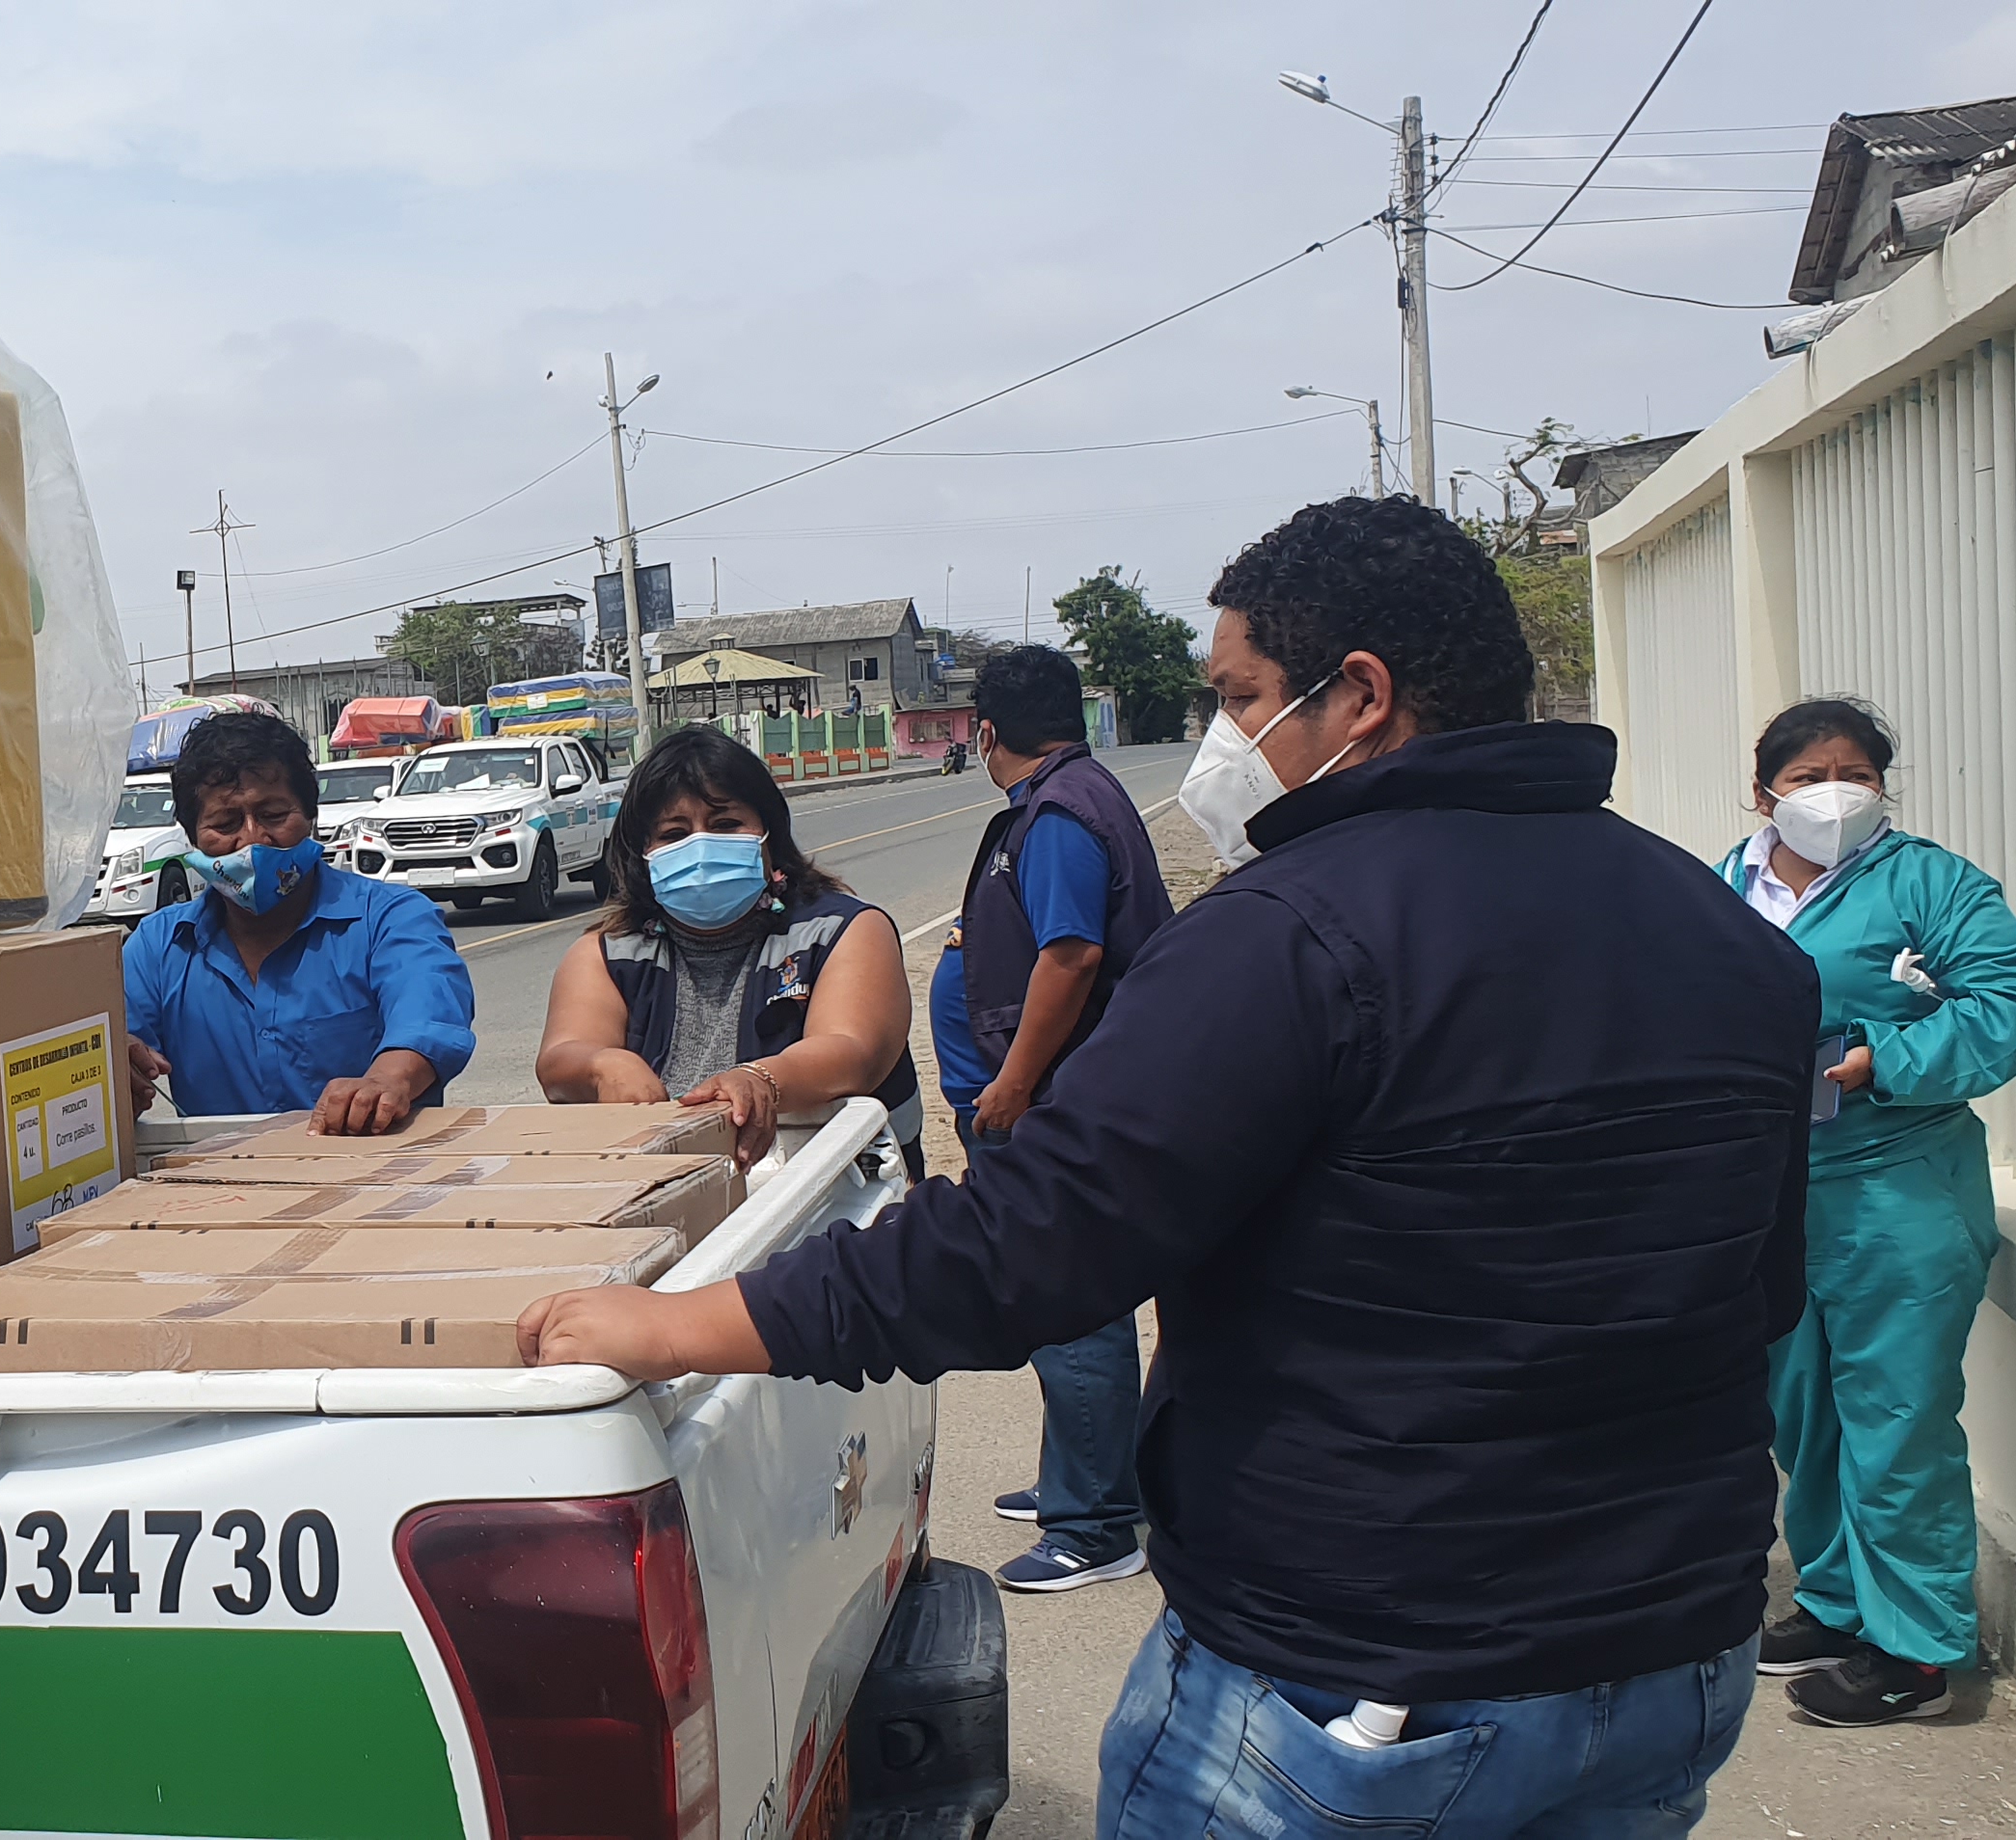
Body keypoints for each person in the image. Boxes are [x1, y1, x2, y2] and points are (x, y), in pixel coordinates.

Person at [520, 496, 1819, 1839]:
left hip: (1368, 1681)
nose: (1226, 737)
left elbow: (1031, 1245)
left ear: (1360, 696)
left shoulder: (1293, 933)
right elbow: (1765, 1291)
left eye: (1242, 697)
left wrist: (678, 1325)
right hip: (1671, 1657)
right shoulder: (1727, 935)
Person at [1721, 697, 2016, 1728]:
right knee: (1803, 1411)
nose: (1834, 794)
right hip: (1774, 1191)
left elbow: (2015, 1002)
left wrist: (1888, 1060)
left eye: (1857, 775)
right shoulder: (1719, 887)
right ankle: (1834, 1601)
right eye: (1810, 776)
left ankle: (1914, 1650)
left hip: (1896, 1183)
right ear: (1763, 791)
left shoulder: (1929, 884)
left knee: (1897, 1417)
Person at [935, 644, 1174, 1595]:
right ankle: (1079, 1476)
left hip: (1053, 1100)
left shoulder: (1063, 815)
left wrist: (1016, 1082)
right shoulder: (1063, 797)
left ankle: (1095, 1527)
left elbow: (1071, 956)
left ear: (986, 730)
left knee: (1073, 1305)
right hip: (1048, 1094)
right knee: (1051, 1304)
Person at [534, 724, 916, 1165]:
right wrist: (602, 1066)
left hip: (828, 1188)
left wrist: (762, 1081)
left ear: (768, 837)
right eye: (674, 834)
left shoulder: (841, 931)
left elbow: (852, 1049)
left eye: (726, 825)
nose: (701, 845)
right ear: (643, 852)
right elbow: (561, 1058)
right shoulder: (609, 953)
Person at [125, 710, 477, 1132]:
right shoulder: (157, 946)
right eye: (225, 823)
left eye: (274, 815)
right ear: (193, 837)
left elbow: (429, 1016)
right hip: (220, 1171)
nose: (253, 839)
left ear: (311, 816)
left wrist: (386, 1081)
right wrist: (119, 1074)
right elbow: (113, 1052)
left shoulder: (390, 918)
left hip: (369, 1158)